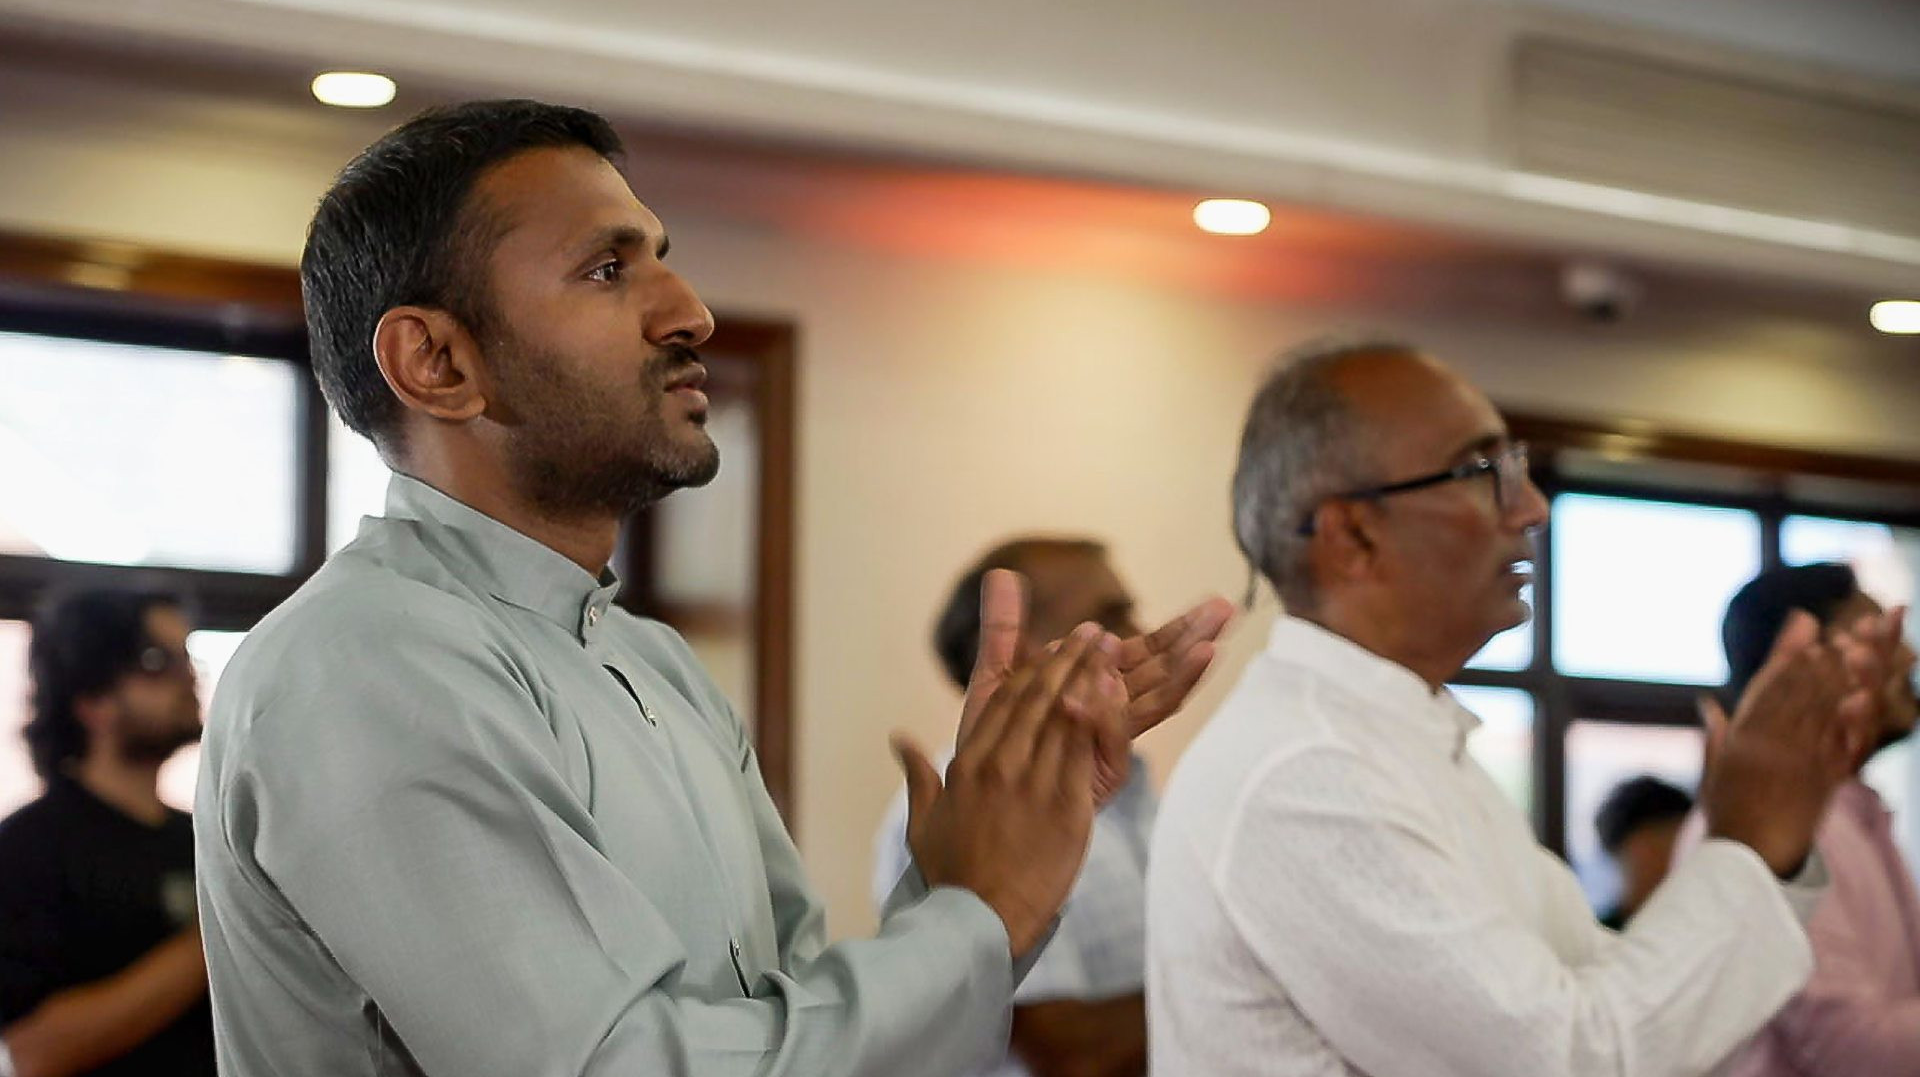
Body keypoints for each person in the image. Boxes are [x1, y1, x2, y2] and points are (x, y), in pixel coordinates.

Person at [193, 99, 1228, 1077]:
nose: (690, 313)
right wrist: (979, 913)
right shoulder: (363, 663)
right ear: (437, 362)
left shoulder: (654, 666)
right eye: (607, 269)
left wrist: (983, 872)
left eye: (661, 260)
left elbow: (790, 1029)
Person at [1146, 337, 1899, 1077]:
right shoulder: (1306, 772)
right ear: (1354, 536)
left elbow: (1617, 997)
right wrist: (1748, 837)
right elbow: (1570, 1058)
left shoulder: (1404, 746)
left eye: (1518, 469)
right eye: (1485, 473)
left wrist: (1775, 826)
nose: (1533, 508)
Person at [875, 537, 1191, 1077]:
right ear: (1019, 651)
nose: (1140, 634)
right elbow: (1067, 1054)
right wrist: (1252, 984)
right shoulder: (958, 813)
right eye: (1111, 618)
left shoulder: (1134, 796)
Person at [1675, 562, 1920, 1075]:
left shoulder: (1850, 816)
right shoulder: (1778, 824)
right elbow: (1851, 1050)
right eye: (1877, 638)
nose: (1907, 657)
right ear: (1806, 663)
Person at [0, 589, 214, 1077]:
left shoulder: (201, 839)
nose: (187, 676)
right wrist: (216, 937)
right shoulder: (28, 848)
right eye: (156, 660)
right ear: (92, 701)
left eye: (186, 656)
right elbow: (34, 1051)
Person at [1593, 776, 1695, 929]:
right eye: (1655, 847)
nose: (1667, 860)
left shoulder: (1703, 928)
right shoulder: (1596, 935)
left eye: (1676, 843)